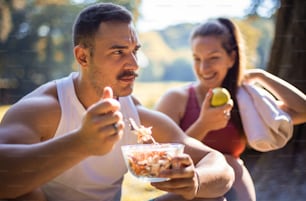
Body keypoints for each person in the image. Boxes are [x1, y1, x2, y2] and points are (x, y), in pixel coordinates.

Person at [0, 3, 235, 201]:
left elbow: (217, 163)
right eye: (118, 52)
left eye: (135, 51)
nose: (134, 64)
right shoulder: (44, 108)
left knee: (210, 196)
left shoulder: (135, 115)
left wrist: (195, 180)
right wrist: (81, 143)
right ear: (83, 56)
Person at [154, 18, 306, 201]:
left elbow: (302, 110)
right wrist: (203, 125)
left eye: (213, 58)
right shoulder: (176, 99)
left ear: (231, 58)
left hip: (234, 184)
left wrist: (261, 75)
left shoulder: (245, 102)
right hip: (191, 188)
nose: (204, 68)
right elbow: (158, 161)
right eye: (197, 58)